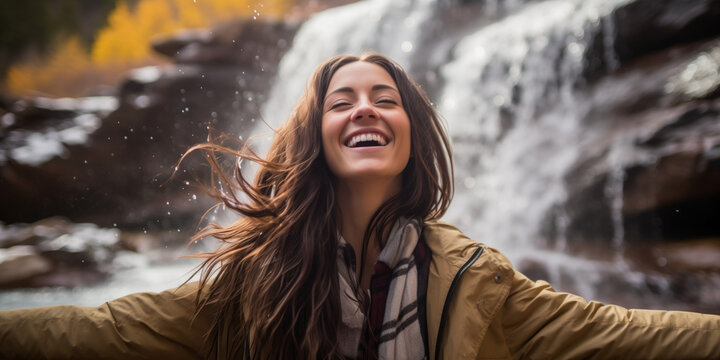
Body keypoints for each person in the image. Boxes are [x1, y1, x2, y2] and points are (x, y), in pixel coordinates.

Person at [1, 53, 719, 360]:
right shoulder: (251, 287)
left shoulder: (480, 281)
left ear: (413, 132)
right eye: (342, 101)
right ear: (316, 135)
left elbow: (623, 335)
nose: (365, 109)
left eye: (386, 98)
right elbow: (103, 333)